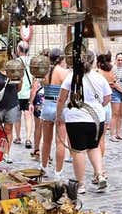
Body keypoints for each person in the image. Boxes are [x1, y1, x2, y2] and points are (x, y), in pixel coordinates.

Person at [56, 50, 112, 194]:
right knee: (94, 147)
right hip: (97, 119)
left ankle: (81, 184)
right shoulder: (99, 78)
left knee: (78, 151)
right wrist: (97, 106)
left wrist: (58, 115)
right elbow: (107, 98)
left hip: (76, 118)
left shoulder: (71, 77)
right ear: (93, 62)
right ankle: (99, 174)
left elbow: (61, 98)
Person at [38, 48, 69, 178]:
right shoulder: (64, 72)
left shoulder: (45, 71)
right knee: (60, 142)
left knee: (46, 141)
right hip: (59, 106)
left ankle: (43, 167)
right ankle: (58, 172)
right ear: (61, 59)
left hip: (47, 106)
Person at [0, 62, 21, 163]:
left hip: (11, 104)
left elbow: (19, 89)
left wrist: (20, 78)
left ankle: (6, 153)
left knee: (8, 129)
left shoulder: (16, 71)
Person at [14, 41, 34, 149]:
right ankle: (28, 138)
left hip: (17, 92)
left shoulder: (15, 62)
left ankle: (18, 137)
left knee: (17, 116)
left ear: (18, 50)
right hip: (29, 93)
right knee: (28, 116)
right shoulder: (32, 62)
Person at [96, 54, 114, 175]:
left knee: (96, 140)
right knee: (102, 139)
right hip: (108, 106)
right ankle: (100, 165)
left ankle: (99, 168)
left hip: (100, 105)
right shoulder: (110, 72)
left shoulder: (98, 73)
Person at [110, 52, 122, 141]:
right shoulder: (113, 69)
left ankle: (118, 133)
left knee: (121, 114)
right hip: (116, 92)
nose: (120, 61)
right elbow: (114, 83)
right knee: (115, 114)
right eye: (119, 60)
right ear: (115, 60)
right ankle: (112, 135)